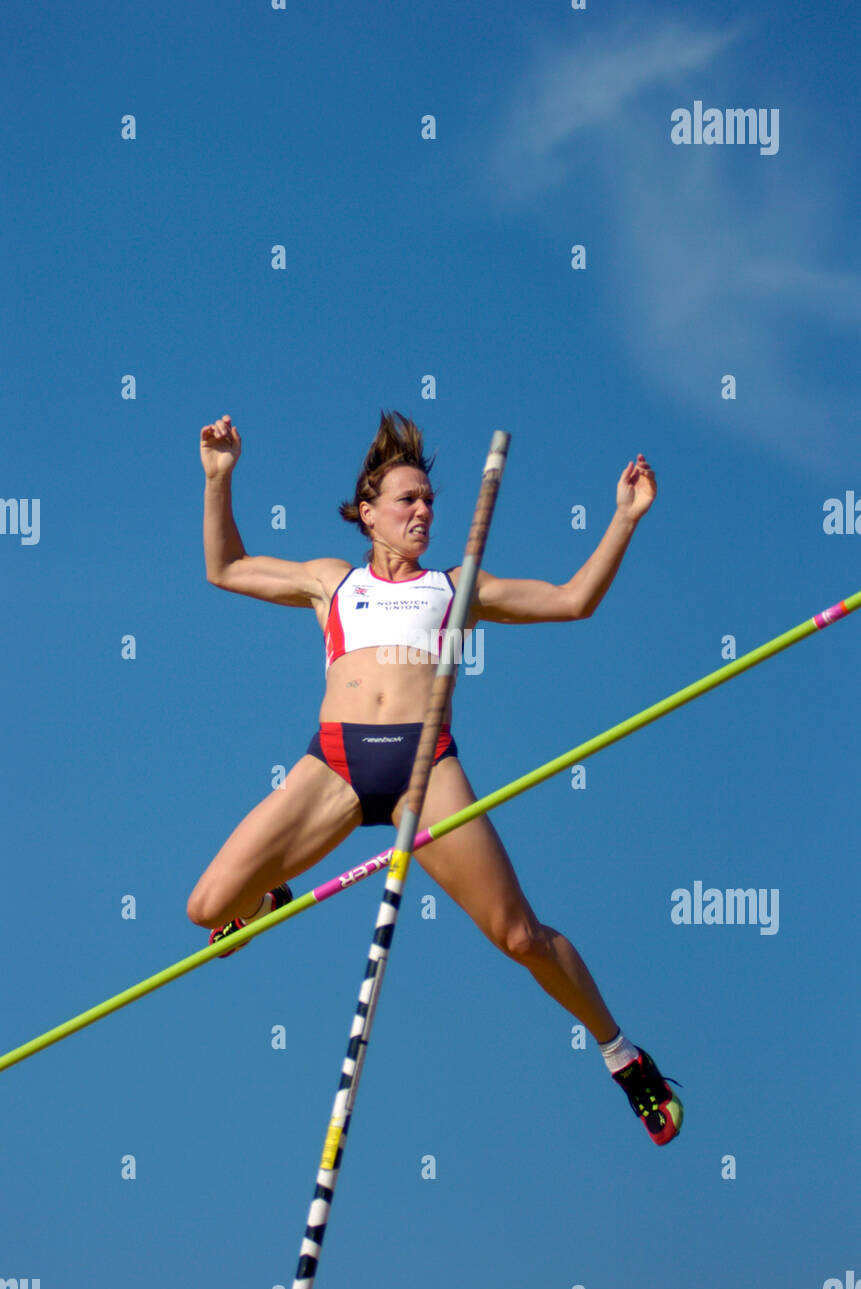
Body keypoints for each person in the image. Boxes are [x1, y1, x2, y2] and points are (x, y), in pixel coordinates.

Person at [187, 409, 682, 1146]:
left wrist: (624, 519)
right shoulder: (333, 582)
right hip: (336, 767)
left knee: (518, 937)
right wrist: (219, 480)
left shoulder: (456, 587)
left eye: (428, 501)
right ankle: (265, 900)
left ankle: (622, 1056)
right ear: (366, 513)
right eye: (406, 501)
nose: (422, 512)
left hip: (426, 769)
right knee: (207, 912)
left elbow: (573, 600)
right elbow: (225, 567)